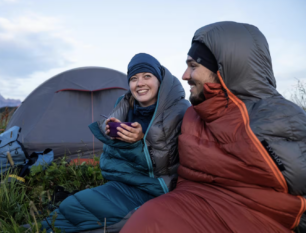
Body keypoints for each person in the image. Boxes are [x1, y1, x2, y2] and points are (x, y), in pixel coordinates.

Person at [120, 21, 306, 233]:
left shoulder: (277, 118)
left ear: (223, 67)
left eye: (193, 66)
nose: (184, 75)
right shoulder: (194, 115)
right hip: (190, 203)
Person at [41, 53, 190, 233]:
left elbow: (179, 162)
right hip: (124, 185)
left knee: (108, 224)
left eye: (147, 76)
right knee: (71, 206)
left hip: (159, 191)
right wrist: (115, 138)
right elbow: (110, 163)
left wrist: (142, 141)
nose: (140, 83)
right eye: (134, 78)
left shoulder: (181, 111)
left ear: (160, 79)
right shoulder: (124, 109)